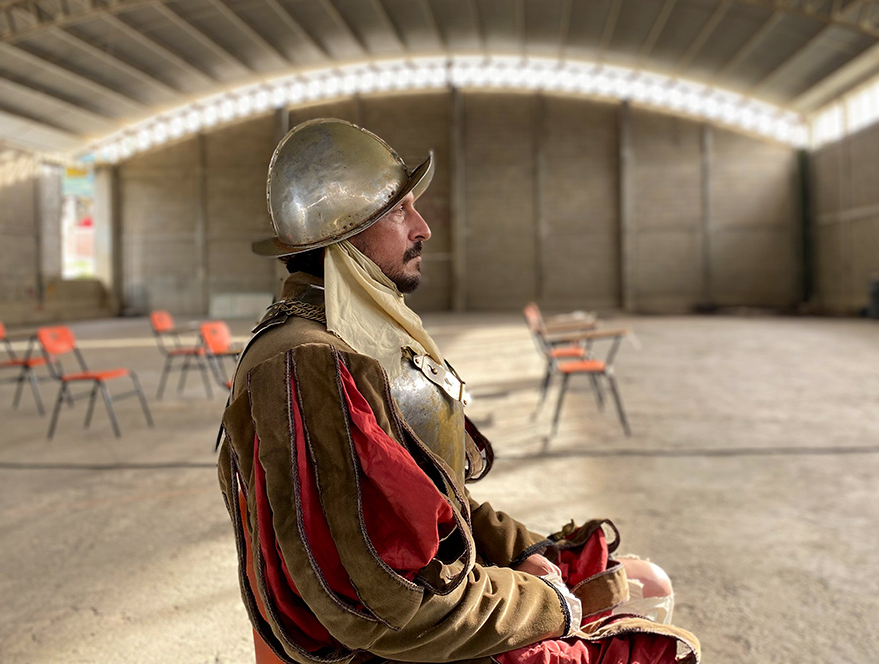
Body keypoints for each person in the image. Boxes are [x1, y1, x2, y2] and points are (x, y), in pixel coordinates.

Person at [216, 119, 700, 664]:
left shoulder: (349, 332)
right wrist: (550, 604)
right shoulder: (309, 364)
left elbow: (431, 499)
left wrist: (531, 553)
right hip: (395, 645)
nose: (423, 228)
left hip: (438, 608)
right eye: (399, 210)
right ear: (341, 231)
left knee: (641, 581)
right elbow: (386, 603)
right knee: (658, 636)